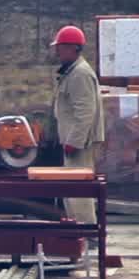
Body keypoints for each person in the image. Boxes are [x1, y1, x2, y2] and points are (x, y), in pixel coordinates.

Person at [49, 25, 104, 224]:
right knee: (72, 188)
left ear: (73, 48)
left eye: (61, 47)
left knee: (79, 190)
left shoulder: (80, 74)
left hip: (81, 143)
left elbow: (85, 112)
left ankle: (86, 230)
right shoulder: (72, 72)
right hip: (74, 140)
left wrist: (75, 141)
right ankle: (76, 228)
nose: (57, 51)